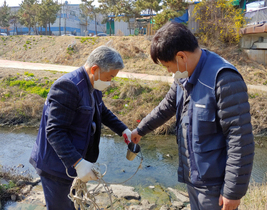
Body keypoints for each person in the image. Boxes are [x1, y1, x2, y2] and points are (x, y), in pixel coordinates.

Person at [131, 21, 254, 210]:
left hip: (215, 187)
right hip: (193, 178)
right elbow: (167, 106)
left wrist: (232, 191)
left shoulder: (224, 79)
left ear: (181, 56)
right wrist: (140, 129)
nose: (169, 71)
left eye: (167, 66)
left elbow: (240, 139)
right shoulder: (184, 76)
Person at [30, 45, 132, 210]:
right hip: (57, 168)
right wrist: (77, 162)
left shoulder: (93, 85)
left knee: (77, 205)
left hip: (76, 165)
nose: (110, 82)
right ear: (95, 69)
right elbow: (55, 132)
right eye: (110, 77)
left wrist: (124, 130)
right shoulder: (68, 87)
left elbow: (103, 112)